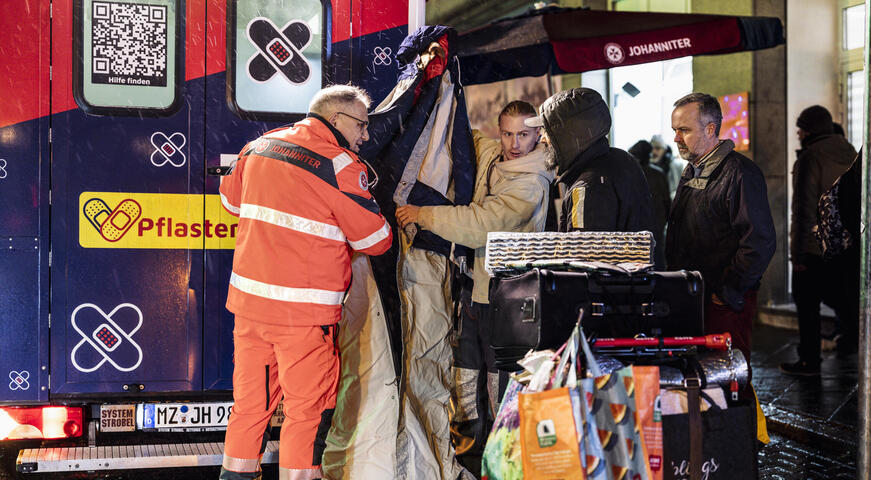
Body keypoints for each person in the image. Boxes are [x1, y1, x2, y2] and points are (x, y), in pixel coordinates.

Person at [218, 85, 393, 480]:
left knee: (250, 405)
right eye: (361, 126)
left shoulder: (260, 145)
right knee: (307, 411)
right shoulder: (341, 165)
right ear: (336, 120)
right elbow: (375, 241)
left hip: (250, 309)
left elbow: (230, 202)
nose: (365, 136)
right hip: (304, 317)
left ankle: (235, 474)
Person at [394, 100, 553, 477]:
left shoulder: (532, 182)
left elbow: (483, 222)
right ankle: (466, 465)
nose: (515, 143)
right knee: (465, 388)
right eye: (508, 133)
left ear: (538, 135)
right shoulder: (493, 156)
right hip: (474, 296)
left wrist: (423, 215)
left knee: (502, 394)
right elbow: (466, 135)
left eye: (525, 134)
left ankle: (504, 467)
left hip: (510, 304)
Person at [664, 92, 776, 365]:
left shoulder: (739, 172)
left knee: (728, 375)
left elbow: (759, 241)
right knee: (702, 378)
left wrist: (726, 291)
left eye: (684, 130)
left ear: (711, 129)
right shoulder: (693, 170)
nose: (676, 138)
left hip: (722, 303)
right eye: (675, 130)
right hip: (695, 298)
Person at [780, 105, 857, 376]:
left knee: (807, 304)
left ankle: (809, 360)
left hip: (813, 246)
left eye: (801, 128)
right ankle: (854, 340)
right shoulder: (848, 151)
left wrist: (797, 254)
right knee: (844, 298)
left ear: (809, 130)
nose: (798, 133)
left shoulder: (810, 158)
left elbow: (803, 208)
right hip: (845, 244)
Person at [526, 87, 655, 234]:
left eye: (547, 132)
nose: (542, 138)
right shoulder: (620, 159)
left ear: (566, 135)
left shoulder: (587, 186)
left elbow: (582, 253)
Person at [628, 139, 671, 269]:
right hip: (655, 228)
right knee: (657, 266)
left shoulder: (628, 175)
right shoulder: (658, 174)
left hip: (633, 230)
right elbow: (667, 203)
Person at [651, 134, 686, 199]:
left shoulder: (676, 165)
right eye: (652, 148)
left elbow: (681, 190)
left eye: (657, 148)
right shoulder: (649, 166)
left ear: (665, 151)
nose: (654, 152)